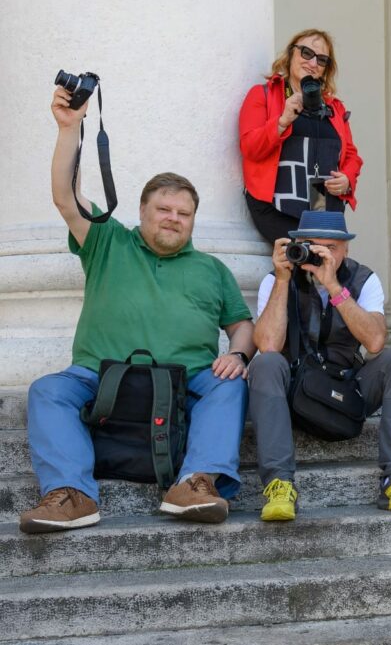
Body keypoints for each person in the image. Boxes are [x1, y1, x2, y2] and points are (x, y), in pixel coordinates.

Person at [19, 87, 255, 534]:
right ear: (142, 212)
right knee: (47, 391)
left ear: (193, 221)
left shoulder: (211, 268)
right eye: (163, 208)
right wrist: (70, 128)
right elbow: (66, 198)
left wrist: (239, 354)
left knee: (230, 387)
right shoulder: (107, 241)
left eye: (183, 213)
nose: (173, 218)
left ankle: (195, 482)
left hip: (187, 380)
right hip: (98, 374)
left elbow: (242, 326)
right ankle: (72, 494)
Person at [248, 210, 391, 521]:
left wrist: (335, 287)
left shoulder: (364, 279)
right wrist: (282, 281)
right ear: (297, 245)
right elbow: (267, 344)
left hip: (346, 386)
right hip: (296, 392)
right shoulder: (277, 278)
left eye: (330, 248)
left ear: (346, 249)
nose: (320, 255)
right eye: (312, 246)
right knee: (266, 364)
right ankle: (279, 484)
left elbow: (375, 342)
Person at [239, 28, 363, 243]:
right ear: (290, 54)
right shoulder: (263, 95)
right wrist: (282, 121)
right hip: (276, 206)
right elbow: (250, 147)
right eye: (306, 53)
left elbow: (351, 155)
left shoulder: (335, 108)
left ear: (325, 70)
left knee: (321, 269)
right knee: (302, 264)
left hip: (323, 209)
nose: (313, 63)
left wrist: (347, 180)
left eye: (322, 60)